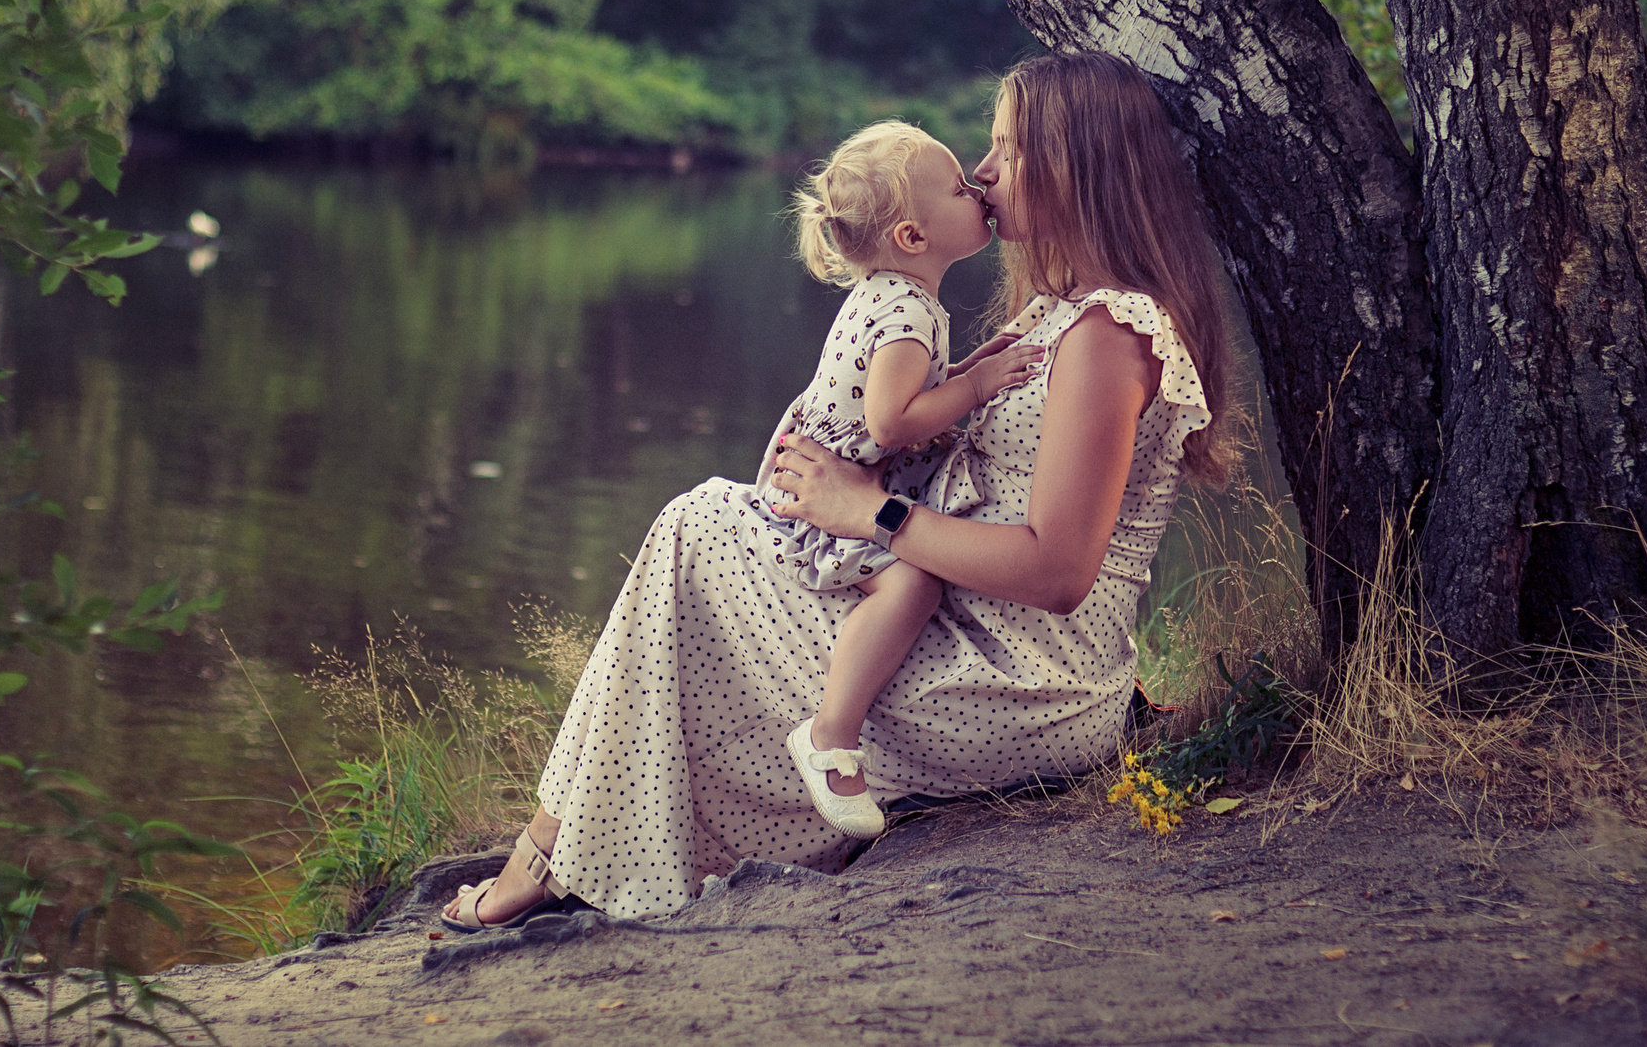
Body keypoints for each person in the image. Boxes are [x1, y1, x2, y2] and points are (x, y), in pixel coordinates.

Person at [442, 51, 1232, 930]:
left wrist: (873, 513)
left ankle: (558, 852)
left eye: (1008, 150)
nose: (983, 171)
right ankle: (576, 844)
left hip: (1020, 683)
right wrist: (832, 461)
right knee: (703, 526)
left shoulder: (1108, 335)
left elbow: (1058, 571)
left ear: (1076, 166)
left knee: (697, 531)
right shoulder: (1056, 310)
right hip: (962, 626)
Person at [742, 121, 1045, 838]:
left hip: (829, 473)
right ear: (914, 236)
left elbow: (911, 391)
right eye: (956, 187)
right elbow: (891, 421)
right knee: (912, 581)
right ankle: (830, 737)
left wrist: (971, 366)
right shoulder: (909, 309)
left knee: (914, 573)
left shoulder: (894, 294)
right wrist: (976, 388)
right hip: (830, 493)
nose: (976, 185)